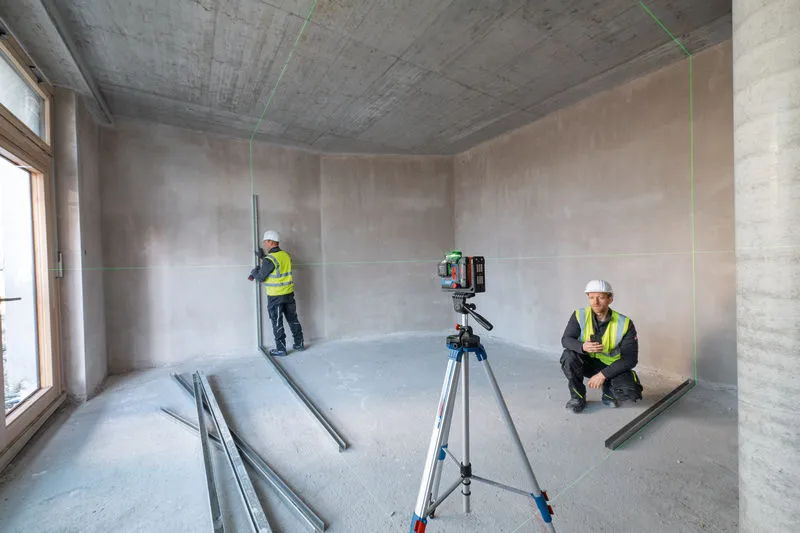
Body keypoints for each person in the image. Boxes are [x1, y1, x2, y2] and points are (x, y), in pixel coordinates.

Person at [560, 279, 643, 413]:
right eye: (591, 297)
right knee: (568, 356)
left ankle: (609, 392)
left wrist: (603, 375)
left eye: (601, 297)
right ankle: (577, 397)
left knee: (629, 391)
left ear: (610, 299)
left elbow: (630, 359)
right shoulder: (579, 315)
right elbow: (566, 340)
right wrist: (583, 347)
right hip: (585, 363)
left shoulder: (625, 323)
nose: (595, 302)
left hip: (609, 366)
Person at [248, 230, 304, 356]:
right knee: (293, 319)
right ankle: (299, 343)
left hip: (275, 296)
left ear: (271, 242)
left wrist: (254, 272)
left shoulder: (270, 259)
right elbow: (276, 265)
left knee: (277, 322)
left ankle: (281, 349)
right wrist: (263, 258)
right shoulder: (285, 255)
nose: (265, 245)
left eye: (265, 242)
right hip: (288, 294)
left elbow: (262, 276)